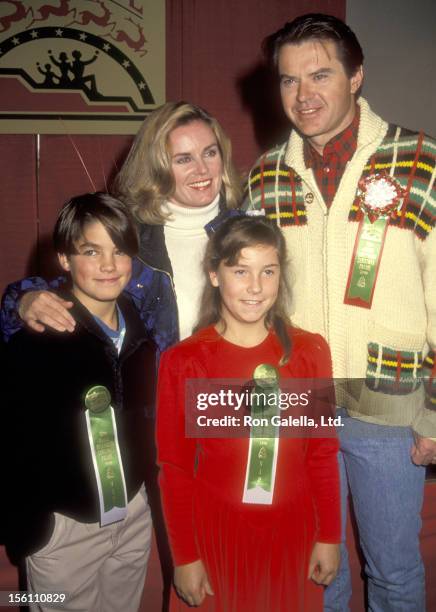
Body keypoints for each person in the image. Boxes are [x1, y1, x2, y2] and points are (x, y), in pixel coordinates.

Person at [244, 13, 436, 612]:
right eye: (288, 80)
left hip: (389, 400)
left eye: (320, 75)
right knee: (318, 569)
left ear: (356, 76)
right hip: (300, 401)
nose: (303, 95)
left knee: (395, 570)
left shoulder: (419, 159)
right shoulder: (266, 174)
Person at [156, 215, 341, 611]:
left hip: (293, 534)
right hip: (216, 535)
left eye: (267, 271)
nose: (255, 287)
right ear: (215, 274)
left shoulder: (310, 353)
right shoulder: (184, 361)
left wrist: (330, 534)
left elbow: (322, 452)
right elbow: (175, 468)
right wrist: (185, 557)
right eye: (240, 270)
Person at [4, 193, 156, 612]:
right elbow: (12, 444)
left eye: (119, 250)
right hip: (65, 527)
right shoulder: (34, 342)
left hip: (130, 513)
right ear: (65, 260)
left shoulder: (141, 328)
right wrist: (34, 531)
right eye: (91, 251)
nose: (109, 265)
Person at [0, 102, 242, 351]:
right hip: (154, 388)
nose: (201, 169)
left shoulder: (249, 230)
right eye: (183, 159)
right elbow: (62, 285)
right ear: (156, 167)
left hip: (232, 387)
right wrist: (25, 301)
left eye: (210, 153)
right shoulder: (128, 232)